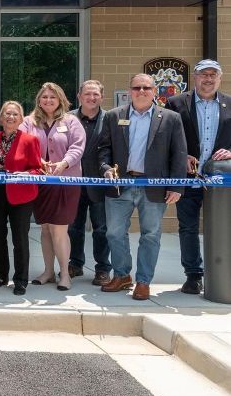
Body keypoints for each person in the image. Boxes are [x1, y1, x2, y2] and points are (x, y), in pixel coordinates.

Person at [98, 73, 186, 300]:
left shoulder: (170, 118)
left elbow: (179, 154)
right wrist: (106, 168)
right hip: (121, 185)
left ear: (154, 91)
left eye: (146, 87)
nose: (141, 91)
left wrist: (176, 186)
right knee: (115, 233)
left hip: (153, 187)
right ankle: (122, 274)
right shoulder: (114, 116)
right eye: (137, 87)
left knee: (151, 235)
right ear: (130, 91)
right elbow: (103, 149)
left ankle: (144, 281)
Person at [166, 59, 231, 295]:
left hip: (221, 182)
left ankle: (224, 273)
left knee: (225, 227)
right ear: (195, 77)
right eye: (204, 74)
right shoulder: (176, 103)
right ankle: (194, 275)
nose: (209, 79)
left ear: (220, 78)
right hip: (188, 178)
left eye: (213, 74)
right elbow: (166, 138)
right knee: (188, 228)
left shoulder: (230, 104)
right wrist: (180, 156)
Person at [20, 82, 85, 291]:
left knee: (59, 229)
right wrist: (38, 162)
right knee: (45, 229)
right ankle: (47, 271)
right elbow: (20, 144)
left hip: (65, 181)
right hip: (40, 183)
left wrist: (64, 163)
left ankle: (65, 274)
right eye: (44, 97)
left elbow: (77, 146)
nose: (48, 100)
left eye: (52, 97)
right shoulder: (29, 121)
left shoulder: (71, 121)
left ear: (60, 100)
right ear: (39, 99)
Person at [0, 101, 42, 296]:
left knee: (20, 238)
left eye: (15, 114)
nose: (10, 117)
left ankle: (20, 279)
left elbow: (37, 168)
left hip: (21, 194)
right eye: (7, 114)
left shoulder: (29, 140)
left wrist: (27, 175)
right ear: (1, 118)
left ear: (20, 119)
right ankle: (1, 275)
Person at [67, 80, 112, 286]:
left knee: (101, 228)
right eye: (87, 94)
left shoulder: (110, 118)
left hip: (100, 184)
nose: (91, 98)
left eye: (96, 94)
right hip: (73, 182)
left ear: (102, 97)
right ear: (79, 96)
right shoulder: (67, 119)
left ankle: (102, 269)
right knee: (73, 227)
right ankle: (75, 264)